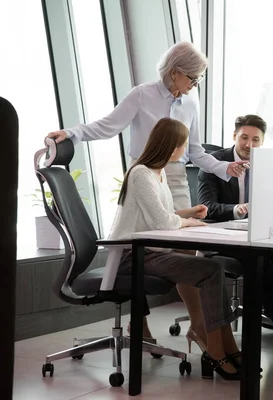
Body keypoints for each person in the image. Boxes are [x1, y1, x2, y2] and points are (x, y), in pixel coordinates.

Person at [46, 41, 248, 339]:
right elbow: (108, 126)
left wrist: (224, 168)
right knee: (138, 243)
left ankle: (197, 325)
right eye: (194, 78)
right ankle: (138, 323)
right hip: (144, 173)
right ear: (176, 73)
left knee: (185, 253)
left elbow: (194, 151)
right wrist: (72, 133)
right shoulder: (142, 94)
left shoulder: (191, 104)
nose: (195, 85)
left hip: (175, 179)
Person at [111, 117, 241, 380]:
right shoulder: (141, 173)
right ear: (172, 148)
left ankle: (224, 344)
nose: (186, 151)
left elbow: (162, 215)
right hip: (131, 255)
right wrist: (188, 222)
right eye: (184, 146)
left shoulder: (158, 173)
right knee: (210, 270)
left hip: (150, 251)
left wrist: (189, 213)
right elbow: (162, 222)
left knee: (209, 269)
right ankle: (217, 348)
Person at [197, 114, 273, 350]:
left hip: (260, 234)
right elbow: (206, 207)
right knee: (259, 262)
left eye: (255, 140)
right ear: (234, 136)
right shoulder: (213, 163)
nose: (249, 145)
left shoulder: (268, 164)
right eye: (244, 138)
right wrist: (238, 210)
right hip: (223, 238)